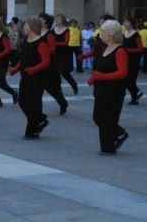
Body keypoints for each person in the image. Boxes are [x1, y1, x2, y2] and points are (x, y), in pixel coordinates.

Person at [86, 19, 130, 155]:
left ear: (111, 34)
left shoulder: (120, 51)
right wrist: (94, 78)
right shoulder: (104, 48)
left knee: (107, 118)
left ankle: (108, 147)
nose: (101, 34)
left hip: (113, 90)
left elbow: (122, 72)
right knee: (97, 116)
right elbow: (101, 68)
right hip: (101, 89)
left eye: (103, 32)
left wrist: (102, 77)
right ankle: (118, 134)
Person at [9, 16, 52, 139]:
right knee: (22, 101)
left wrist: (34, 69)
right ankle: (39, 120)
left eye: (26, 25)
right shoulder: (27, 41)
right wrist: (16, 69)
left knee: (33, 103)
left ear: (32, 27)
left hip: (37, 77)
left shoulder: (41, 43)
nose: (24, 28)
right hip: (26, 76)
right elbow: (23, 59)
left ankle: (32, 130)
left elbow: (46, 61)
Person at [40, 14, 70, 115]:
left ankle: (62, 103)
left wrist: (41, 51)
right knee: (40, 86)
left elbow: (52, 49)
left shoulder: (49, 35)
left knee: (51, 87)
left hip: (50, 64)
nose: (39, 20)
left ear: (46, 22)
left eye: (42, 19)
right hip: (39, 63)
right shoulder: (37, 33)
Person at [52, 14, 79, 95]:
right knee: (55, 72)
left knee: (64, 72)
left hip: (64, 53)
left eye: (58, 19)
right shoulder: (53, 29)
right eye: (56, 19)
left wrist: (54, 44)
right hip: (55, 53)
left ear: (62, 20)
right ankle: (58, 89)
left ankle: (74, 84)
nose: (57, 20)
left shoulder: (66, 30)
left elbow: (65, 42)